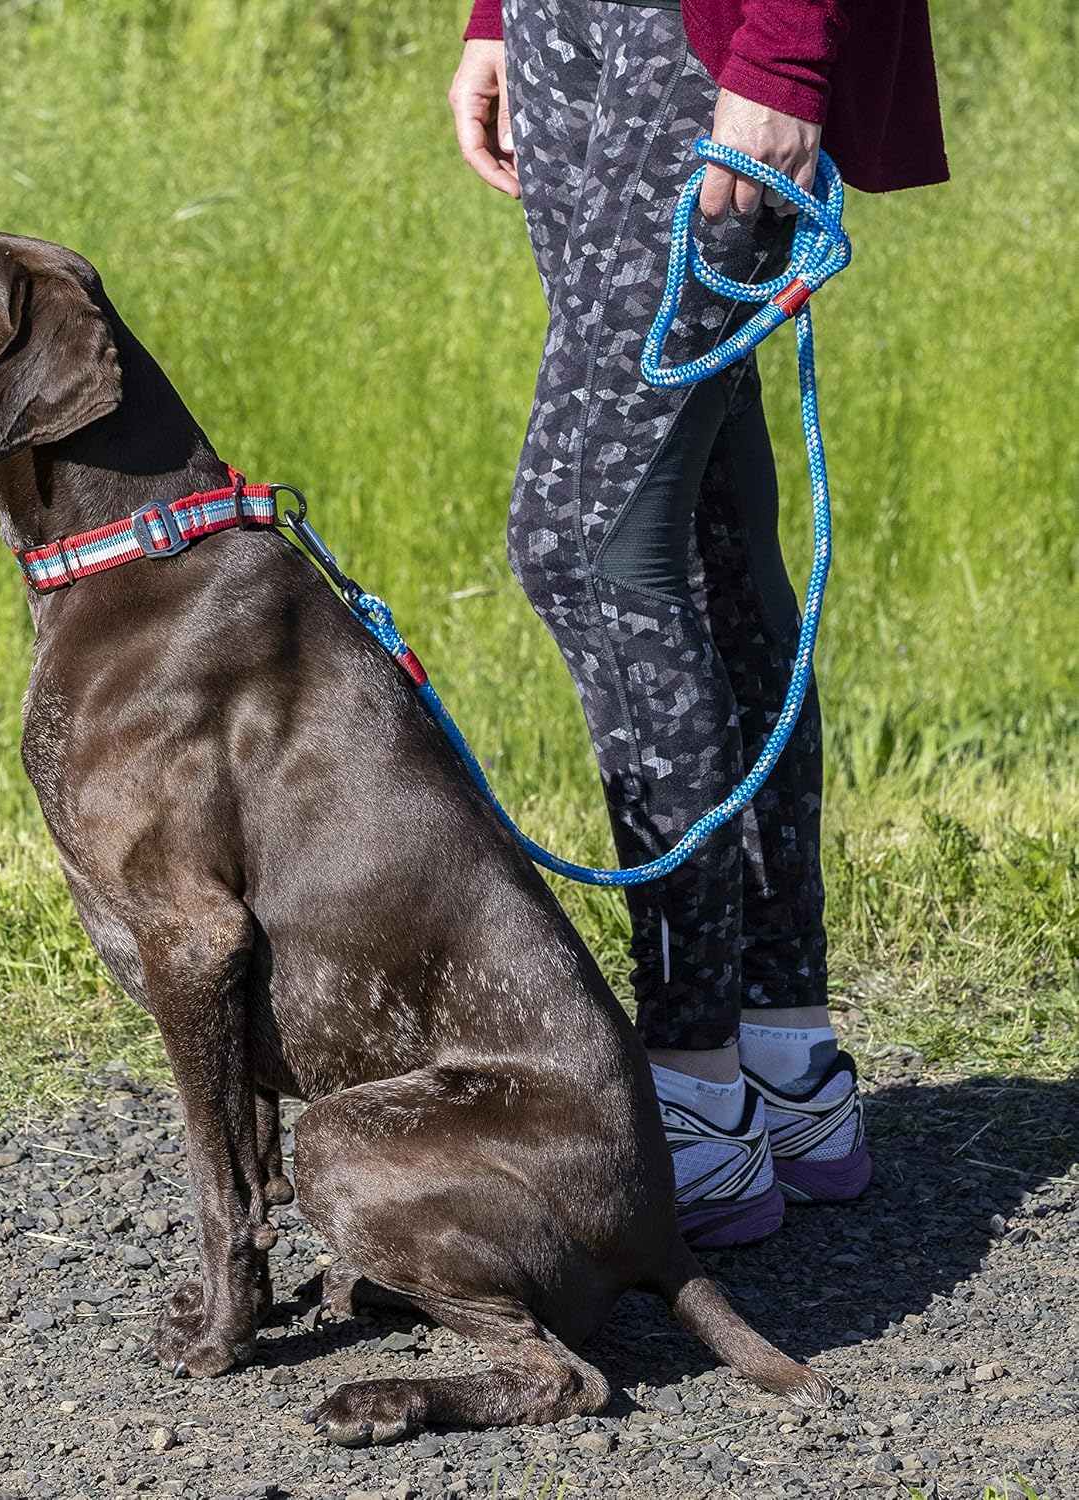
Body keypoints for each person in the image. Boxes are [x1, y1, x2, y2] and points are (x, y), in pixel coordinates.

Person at [449, 0, 946, 1247]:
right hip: (579, 30)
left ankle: (691, 1095)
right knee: (704, 534)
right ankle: (783, 1066)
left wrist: (784, 50)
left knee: (588, 546)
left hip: (715, 34)